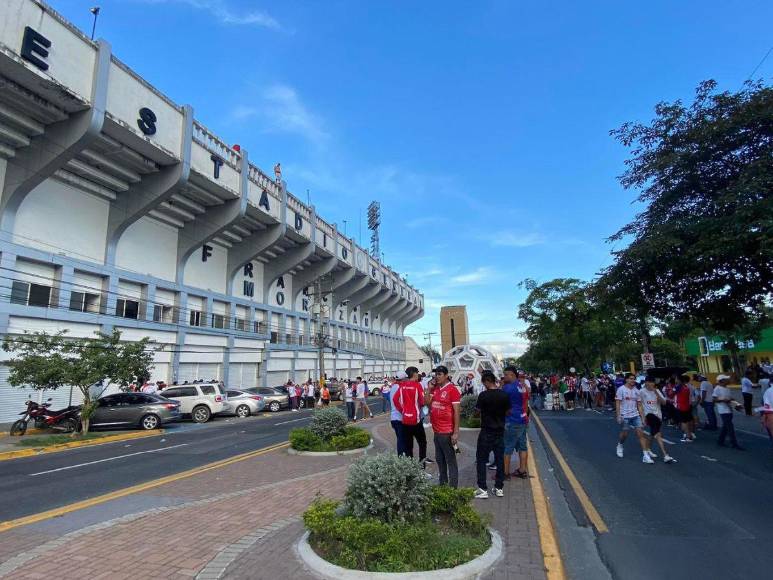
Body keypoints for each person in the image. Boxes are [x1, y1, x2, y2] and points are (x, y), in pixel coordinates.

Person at [474, 371, 511, 499]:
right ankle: (499, 487)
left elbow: (477, 412)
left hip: (486, 431)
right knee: (500, 460)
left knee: (481, 459)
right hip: (500, 431)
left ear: (486, 382)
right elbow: (508, 411)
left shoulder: (483, 395)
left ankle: (483, 489)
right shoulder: (504, 395)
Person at [427, 366, 461, 487]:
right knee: (440, 460)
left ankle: (453, 488)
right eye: (436, 374)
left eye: (440, 374)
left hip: (447, 432)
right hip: (436, 431)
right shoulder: (435, 389)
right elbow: (427, 403)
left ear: (446, 375)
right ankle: (443, 484)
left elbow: (457, 412)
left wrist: (456, 432)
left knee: (450, 461)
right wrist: (429, 389)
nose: (437, 376)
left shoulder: (452, 390)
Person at [393, 366, 428, 466]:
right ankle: (422, 467)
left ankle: (411, 468)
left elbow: (395, 400)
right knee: (422, 443)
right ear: (415, 374)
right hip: (416, 420)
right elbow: (422, 402)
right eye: (417, 373)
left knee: (408, 445)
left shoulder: (402, 386)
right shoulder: (418, 386)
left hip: (405, 420)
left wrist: (403, 410)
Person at [615, 373, 652, 463]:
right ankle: (620, 445)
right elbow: (618, 403)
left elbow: (639, 405)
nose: (633, 380)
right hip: (625, 415)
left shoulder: (637, 391)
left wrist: (643, 418)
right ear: (626, 379)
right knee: (625, 434)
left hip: (635, 415)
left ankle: (645, 456)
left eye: (634, 379)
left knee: (641, 434)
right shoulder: (621, 389)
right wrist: (618, 415)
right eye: (631, 379)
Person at [502, 366, 530, 478]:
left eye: (506, 374)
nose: (504, 376)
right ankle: (522, 470)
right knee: (522, 446)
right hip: (523, 419)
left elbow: (502, 404)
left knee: (507, 447)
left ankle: (505, 473)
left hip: (512, 420)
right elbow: (526, 403)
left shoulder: (507, 388)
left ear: (512, 375)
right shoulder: (522, 386)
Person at [640, 377, 677, 463]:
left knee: (653, 433)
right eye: (649, 382)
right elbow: (640, 405)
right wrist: (643, 417)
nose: (651, 384)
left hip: (658, 415)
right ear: (645, 383)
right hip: (649, 414)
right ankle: (665, 455)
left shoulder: (657, 390)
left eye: (652, 382)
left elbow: (664, 403)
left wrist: (656, 391)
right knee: (658, 434)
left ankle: (648, 449)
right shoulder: (641, 391)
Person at [713, 374, 744, 450]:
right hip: (723, 410)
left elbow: (730, 399)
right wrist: (723, 400)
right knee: (730, 427)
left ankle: (720, 441)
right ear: (722, 381)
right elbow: (714, 399)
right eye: (726, 379)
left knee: (726, 427)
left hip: (729, 409)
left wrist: (736, 404)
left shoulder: (727, 388)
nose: (728, 380)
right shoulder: (717, 388)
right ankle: (734, 443)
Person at [390, 372, 407, 455]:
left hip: (393, 418)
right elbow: (399, 402)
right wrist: (404, 412)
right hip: (400, 418)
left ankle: (401, 458)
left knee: (400, 439)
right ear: (403, 379)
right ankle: (401, 460)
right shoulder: (400, 388)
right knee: (402, 440)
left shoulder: (393, 387)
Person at [674, 375, 695, 442]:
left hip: (681, 406)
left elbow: (671, 394)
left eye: (676, 379)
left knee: (684, 422)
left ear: (679, 380)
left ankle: (687, 436)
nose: (675, 380)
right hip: (687, 405)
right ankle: (690, 434)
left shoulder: (678, 387)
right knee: (688, 420)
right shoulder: (686, 387)